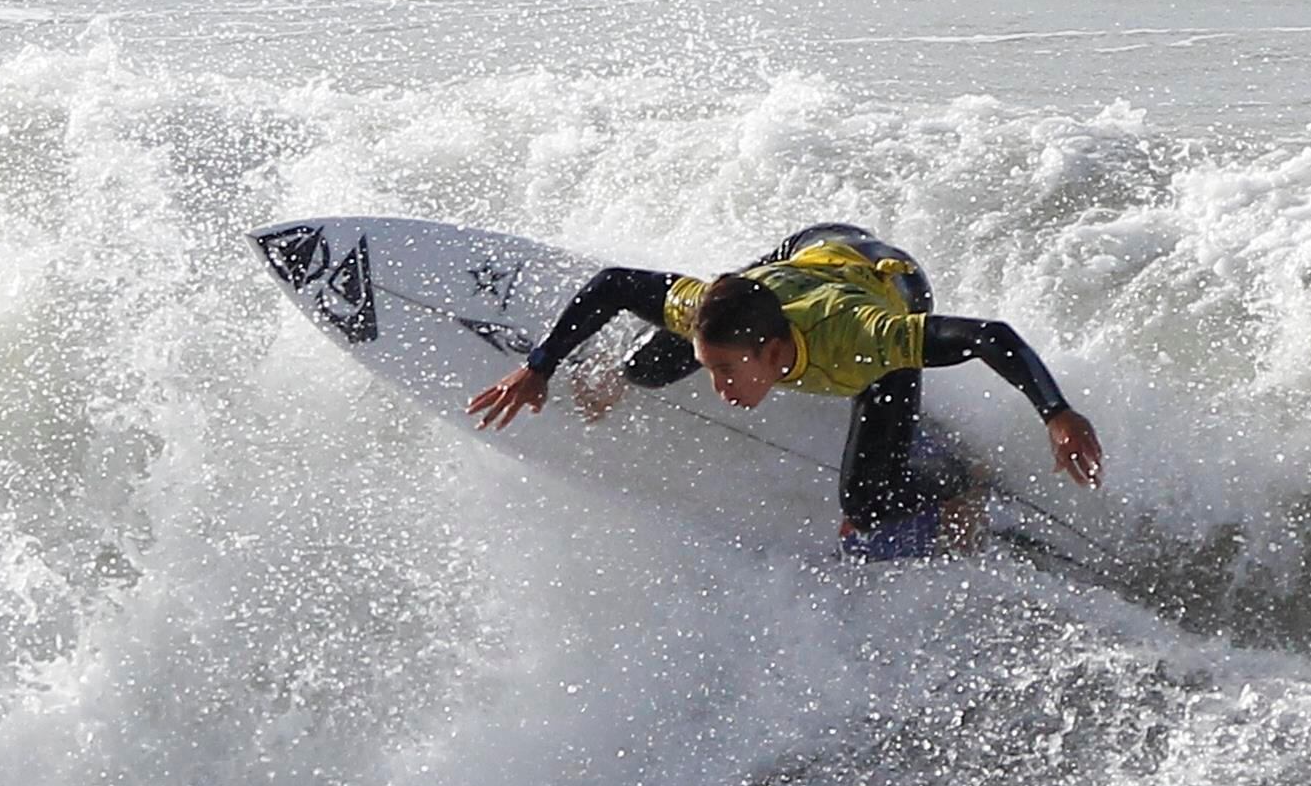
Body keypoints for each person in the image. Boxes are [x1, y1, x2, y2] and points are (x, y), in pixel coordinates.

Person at [466, 223, 1104, 556]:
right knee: (655, 359)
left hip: (886, 281)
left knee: (867, 502)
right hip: (807, 251)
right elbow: (611, 284)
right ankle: (622, 376)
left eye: (728, 372)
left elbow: (991, 336)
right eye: (711, 370)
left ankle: (960, 488)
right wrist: (540, 367)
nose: (718, 388)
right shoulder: (706, 311)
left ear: (774, 355)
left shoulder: (869, 340)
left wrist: (1057, 413)